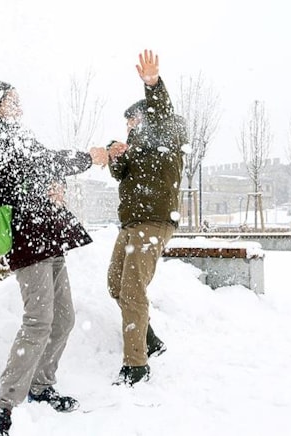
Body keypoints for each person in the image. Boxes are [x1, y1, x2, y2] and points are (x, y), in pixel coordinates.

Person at [0, 81, 109, 436]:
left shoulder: (14, 133)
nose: (20, 107)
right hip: (28, 239)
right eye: (12, 101)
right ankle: (0, 407)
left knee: (63, 318)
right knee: (38, 321)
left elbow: (40, 168)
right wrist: (88, 158)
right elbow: (42, 163)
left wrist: (56, 185)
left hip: (47, 235)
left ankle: (41, 386)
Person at [105, 50, 186, 386]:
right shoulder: (136, 148)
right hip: (131, 223)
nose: (129, 127)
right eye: (127, 124)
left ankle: (136, 366)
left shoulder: (167, 134)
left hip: (154, 222)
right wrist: (115, 154)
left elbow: (162, 112)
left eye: (133, 121)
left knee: (132, 290)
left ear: (147, 118)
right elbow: (119, 174)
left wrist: (152, 84)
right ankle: (149, 339)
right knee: (115, 284)